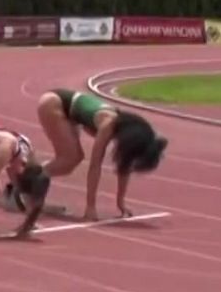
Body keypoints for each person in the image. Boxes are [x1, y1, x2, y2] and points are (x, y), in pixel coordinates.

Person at [35, 89, 166, 222]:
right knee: (69, 159)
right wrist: (90, 207)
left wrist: (120, 202)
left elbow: (124, 166)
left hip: (68, 111)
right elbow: (95, 166)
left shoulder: (123, 130)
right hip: (54, 103)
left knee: (72, 160)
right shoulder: (108, 125)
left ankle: (28, 186)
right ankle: (25, 182)